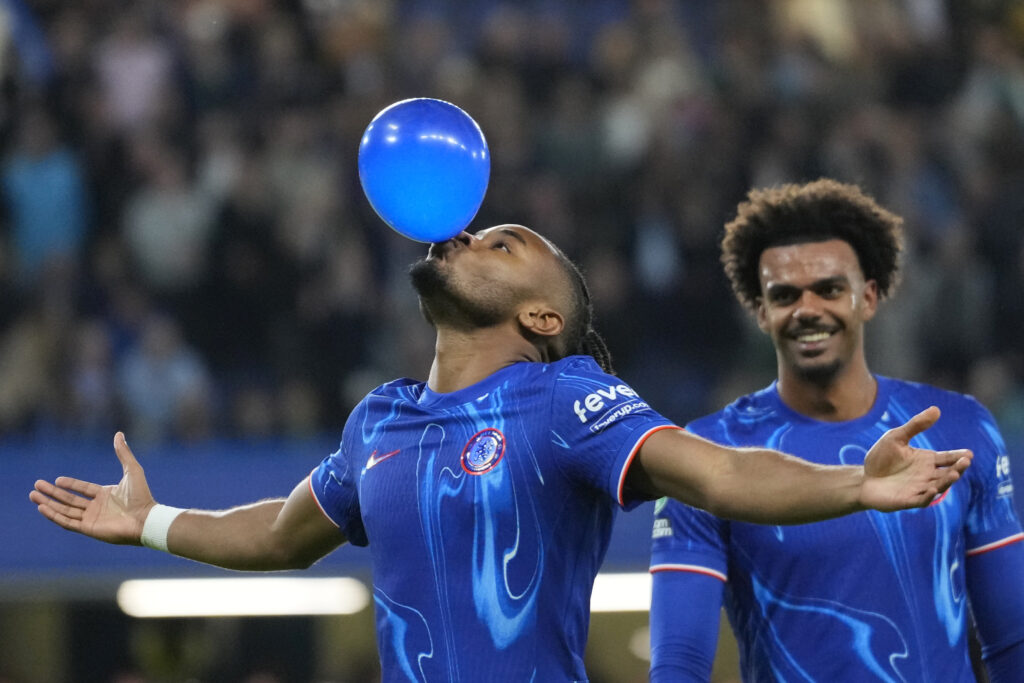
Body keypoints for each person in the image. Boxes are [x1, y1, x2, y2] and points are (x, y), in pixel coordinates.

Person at [31, 224, 971, 682]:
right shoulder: (379, 418)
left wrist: (855, 481)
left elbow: (716, 470)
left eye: (506, 242)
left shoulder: (564, 398)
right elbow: (279, 537)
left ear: (542, 317)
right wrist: (149, 521)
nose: (472, 230)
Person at [648, 179, 1024, 682]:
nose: (807, 310)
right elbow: (680, 665)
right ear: (761, 311)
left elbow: (1012, 637)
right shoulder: (708, 455)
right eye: (785, 295)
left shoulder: (960, 427)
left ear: (867, 297)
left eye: (828, 289)